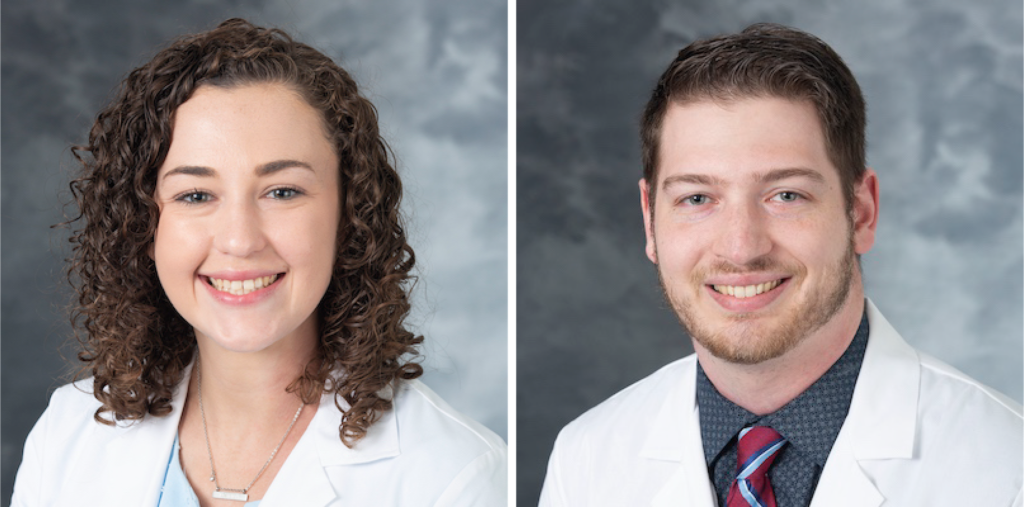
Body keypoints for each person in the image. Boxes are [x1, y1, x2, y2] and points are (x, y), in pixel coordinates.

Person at [11, 18, 507, 507]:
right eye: (196, 194)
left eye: (282, 191)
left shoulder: (454, 478)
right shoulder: (67, 437)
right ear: (142, 225)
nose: (239, 240)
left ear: (349, 215)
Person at [539, 23, 1022, 507]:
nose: (741, 247)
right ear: (650, 222)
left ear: (862, 212)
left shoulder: (1005, 467)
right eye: (697, 197)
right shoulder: (586, 460)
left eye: (786, 194)